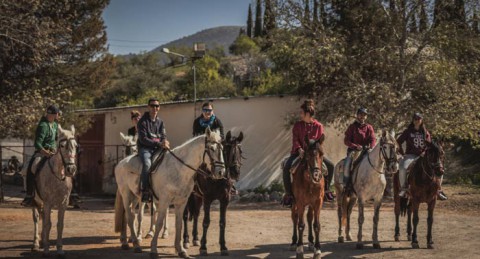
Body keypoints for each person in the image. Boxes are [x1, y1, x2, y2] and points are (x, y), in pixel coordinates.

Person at [282, 99, 334, 207]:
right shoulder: (297, 126)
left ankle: (327, 191)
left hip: (313, 155)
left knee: (331, 166)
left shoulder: (319, 126)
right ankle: (289, 195)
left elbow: (319, 142)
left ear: (308, 114)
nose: (300, 115)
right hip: (298, 153)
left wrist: (315, 152)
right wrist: (299, 149)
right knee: (287, 167)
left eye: (302, 113)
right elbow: (295, 140)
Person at [397, 113, 447, 200]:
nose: (417, 121)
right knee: (402, 167)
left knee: (439, 168)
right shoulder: (408, 131)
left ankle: (438, 190)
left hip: (423, 155)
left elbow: (429, 144)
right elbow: (398, 142)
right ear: (413, 120)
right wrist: (402, 154)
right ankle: (404, 189)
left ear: (421, 120)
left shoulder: (425, 131)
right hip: (410, 155)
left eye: (419, 119)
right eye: (415, 119)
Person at [21, 105, 60, 207]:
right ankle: (29, 195)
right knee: (31, 168)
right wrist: (45, 152)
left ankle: (72, 194)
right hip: (42, 152)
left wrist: (56, 149)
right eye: (57, 114)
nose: (58, 115)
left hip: (53, 151)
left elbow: (56, 139)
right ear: (53, 115)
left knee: (67, 165)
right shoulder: (42, 125)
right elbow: (37, 144)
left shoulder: (55, 125)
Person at [137, 98, 169, 202]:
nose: (155, 108)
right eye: (152, 105)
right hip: (145, 149)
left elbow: (163, 135)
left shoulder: (160, 122)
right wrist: (159, 143)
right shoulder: (142, 121)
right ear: (148, 107)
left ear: (159, 108)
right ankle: (145, 190)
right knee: (147, 165)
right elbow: (143, 139)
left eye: (157, 106)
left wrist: (165, 142)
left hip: (158, 149)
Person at [341, 107, 376, 191]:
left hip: (366, 150)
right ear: (357, 115)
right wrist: (355, 146)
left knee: (375, 163)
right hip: (353, 151)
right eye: (360, 114)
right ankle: (346, 186)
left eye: (364, 115)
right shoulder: (352, 127)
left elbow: (373, 139)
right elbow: (346, 141)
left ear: (366, 117)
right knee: (347, 164)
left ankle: (374, 185)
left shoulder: (369, 127)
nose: (362, 116)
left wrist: (371, 147)